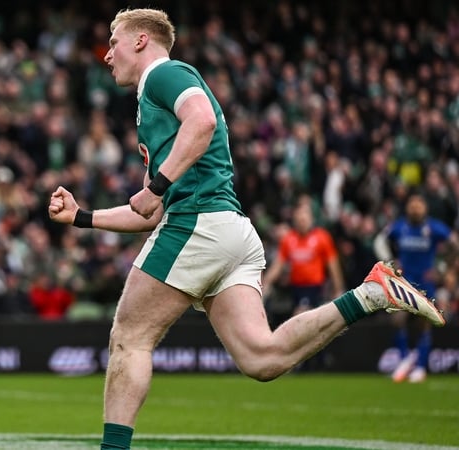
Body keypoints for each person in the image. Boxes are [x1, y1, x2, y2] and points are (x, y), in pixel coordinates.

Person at [46, 8, 446, 450]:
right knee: (263, 358)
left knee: (129, 337)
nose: (106, 54)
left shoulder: (163, 74)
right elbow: (148, 212)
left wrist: (158, 185)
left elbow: (202, 123)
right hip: (230, 231)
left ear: (142, 40)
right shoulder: (154, 103)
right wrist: (84, 217)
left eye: (114, 40)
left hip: (197, 224)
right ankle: (370, 294)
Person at [373, 192, 456, 383]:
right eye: (412, 203)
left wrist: (442, 268)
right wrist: (389, 262)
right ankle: (404, 361)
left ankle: (419, 368)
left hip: (425, 282)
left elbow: (454, 244)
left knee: (423, 322)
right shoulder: (399, 226)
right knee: (397, 319)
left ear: (425, 208)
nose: (416, 207)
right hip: (403, 281)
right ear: (407, 207)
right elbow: (380, 240)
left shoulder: (434, 227)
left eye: (419, 203)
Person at [264, 203, 345, 318]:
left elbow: (333, 264)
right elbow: (278, 264)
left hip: (314, 288)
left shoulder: (322, 237)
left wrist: (338, 289)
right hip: (295, 288)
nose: (302, 221)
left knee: (301, 314)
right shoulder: (289, 239)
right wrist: (266, 282)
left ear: (311, 218)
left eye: (305, 218)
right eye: (299, 218)